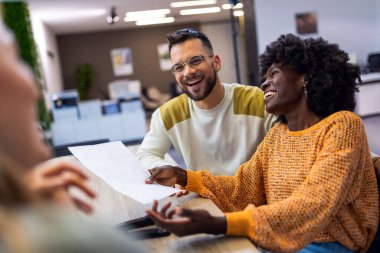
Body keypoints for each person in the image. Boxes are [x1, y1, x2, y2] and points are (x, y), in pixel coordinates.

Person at [145, 34, 379, 253]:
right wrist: (185, 177)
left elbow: (313, 203)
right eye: (263, 78)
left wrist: (219, 224)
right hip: (277, 239)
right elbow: (242, 188)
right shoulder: (278, 134)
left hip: (327, 243)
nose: (265, 84)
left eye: (273, 73)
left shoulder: (342, 125)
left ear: (305, 77)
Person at [0, 19, 144, 253]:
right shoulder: (65, 242)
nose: (33, 89)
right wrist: (65, 227)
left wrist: (21, 200)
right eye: (14, 59)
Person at [136, 28, 276, 175]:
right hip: (203, 196)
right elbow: (145, 155)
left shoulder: (256, 101)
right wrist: (174, 172)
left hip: (253, 195)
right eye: (179, 67)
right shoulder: (168, 114)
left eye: (195, 60)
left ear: (216, 63)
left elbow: (289, 142)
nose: (188, 72)